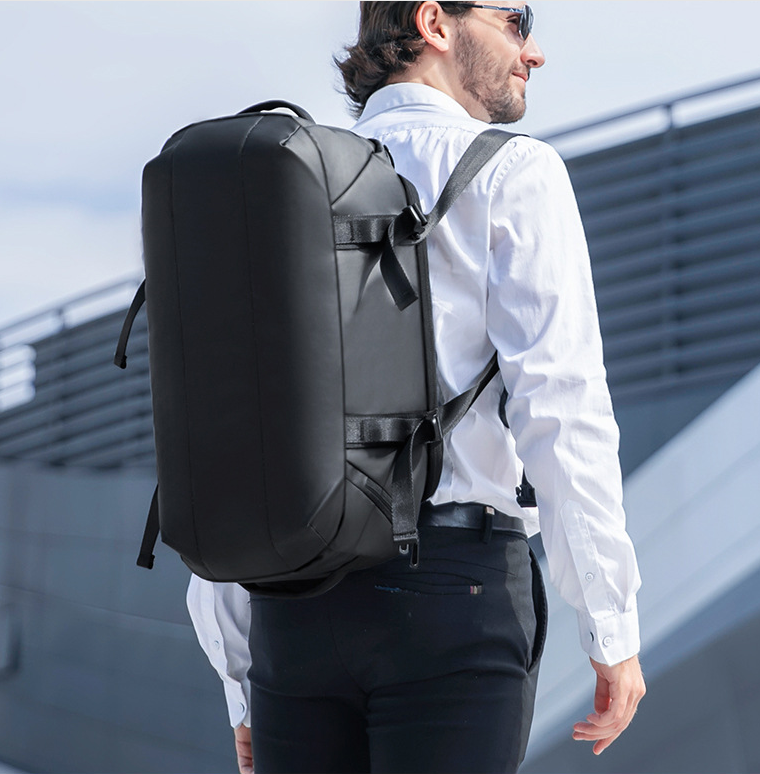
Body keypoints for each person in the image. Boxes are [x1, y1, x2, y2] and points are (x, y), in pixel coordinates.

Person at [187, 3, 646, 772]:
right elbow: (561, 410)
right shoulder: (514, 171)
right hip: (452, 593)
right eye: (515, 19)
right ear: (435, 21)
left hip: (289, 616)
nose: (534, 52)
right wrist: (612, 626)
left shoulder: (277, 180)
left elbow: (228, 429)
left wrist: (242, 678)